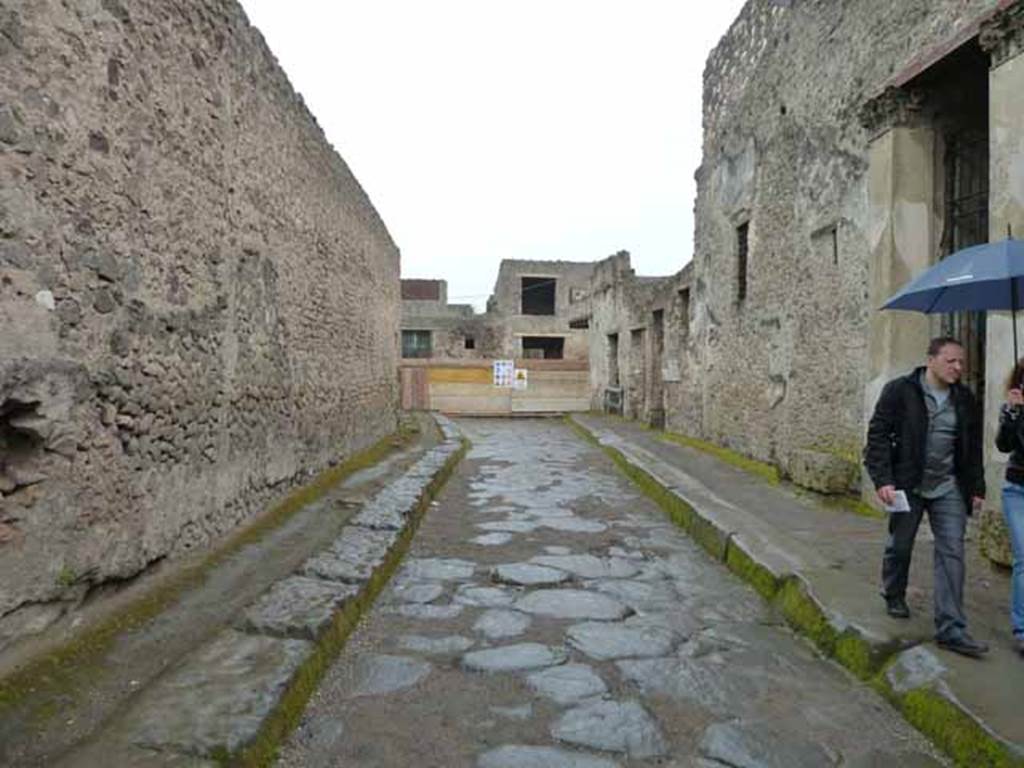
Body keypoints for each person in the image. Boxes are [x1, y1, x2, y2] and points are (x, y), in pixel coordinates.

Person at [864, 336, 988, 658]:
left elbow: (972, 448)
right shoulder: (900, 391)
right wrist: (883, 480)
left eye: (962, 362)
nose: (958, 367)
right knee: (900, 545)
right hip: (908, 483)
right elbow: (877, 436)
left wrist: (976, 488)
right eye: (951, 361)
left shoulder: (965, 399)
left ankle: (951, 629)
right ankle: (893, 592)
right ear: (931, 360)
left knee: (952, 553)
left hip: (949, 487)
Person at [994, 359, 1024, 657]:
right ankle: (1023, 629)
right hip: (1018, 491)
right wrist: (1014, 414)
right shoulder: (1013, 408)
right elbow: (1004, 445)